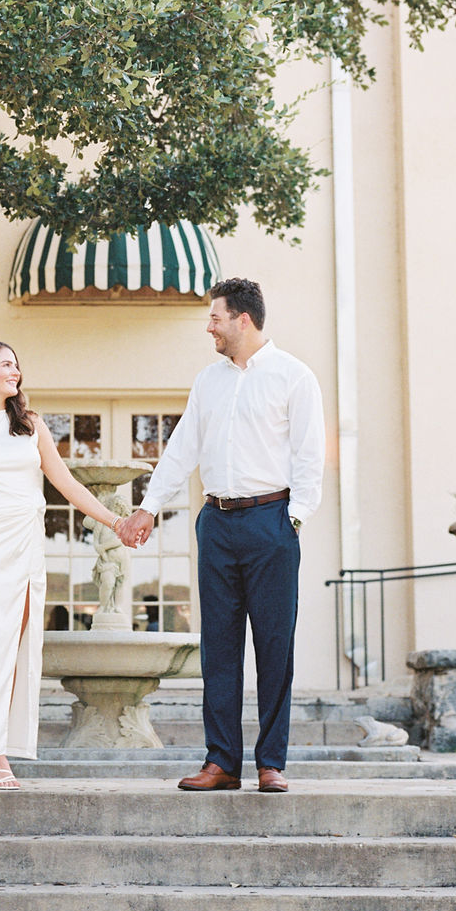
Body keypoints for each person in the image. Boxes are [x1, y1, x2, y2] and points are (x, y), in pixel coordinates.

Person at [118, 278, 324, 793]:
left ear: (243, 320)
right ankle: (222, 762)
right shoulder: (207, 382)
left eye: (215, 317)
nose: (208, 326)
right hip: (216, 523)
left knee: (275, 645)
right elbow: (181, 449)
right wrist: (147, 508)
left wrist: (292, 520)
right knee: (219, 647)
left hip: (270, 521)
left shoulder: (294, 377)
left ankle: (271, 763)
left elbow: (308, 457)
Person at [0, 341, 137, 789]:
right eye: (7, 364)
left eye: (17, 365)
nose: (16, 372)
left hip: (23, 548)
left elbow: (65, 483)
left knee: (14, 649)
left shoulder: (31, 425)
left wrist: (116, 522)